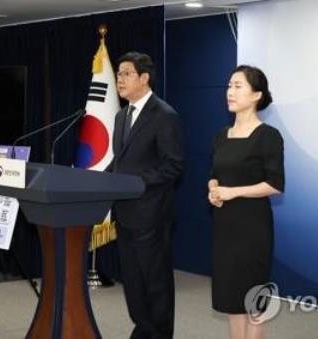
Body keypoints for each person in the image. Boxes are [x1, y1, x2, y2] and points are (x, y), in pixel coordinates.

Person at [109, 51, 183, 339]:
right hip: (125, 213)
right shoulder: (120, 116)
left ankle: (161, 334)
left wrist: (135, 183)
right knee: (133, 281)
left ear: (144, 78)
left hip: (152, 214)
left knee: (156, 282)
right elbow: (120, 161)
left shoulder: (164, 115)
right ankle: (143, 329)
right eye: (117, 74)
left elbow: (173, 166)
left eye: (126, 73)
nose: (119, 79)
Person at [208, 65, 284, 339]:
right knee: (231, 296)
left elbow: (275, 184)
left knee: (253, 298)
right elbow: (215, 176)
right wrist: (214, 190)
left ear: (256, 95)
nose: (230, 91)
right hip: (225, 226)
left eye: (238, 86)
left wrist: (233, 192)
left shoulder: (268, 136)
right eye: (229, 85)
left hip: (253, 227)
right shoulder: (221, 135)